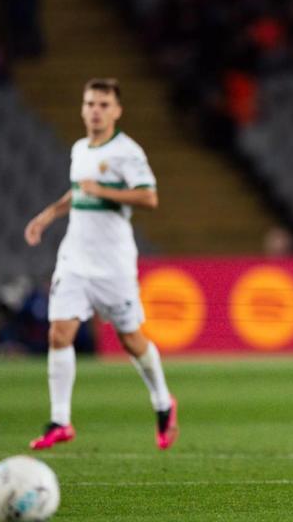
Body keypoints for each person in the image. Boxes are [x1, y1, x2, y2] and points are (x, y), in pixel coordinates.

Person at [23, 78, 178, 450]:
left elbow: (149, 198)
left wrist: (103, 191)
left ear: (117, 111)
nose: (95, 110)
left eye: (104, 104)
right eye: (90, 103)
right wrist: (47, 216)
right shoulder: (79, 149)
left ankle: (162, 401)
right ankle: (60, 420)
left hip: (113, 264)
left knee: (130, 339)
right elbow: (78, 192)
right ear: (82, 108)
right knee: (59, 334)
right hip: (75, 258)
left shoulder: (128, 152)